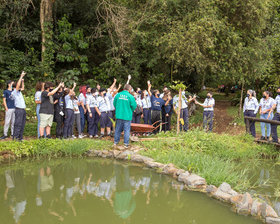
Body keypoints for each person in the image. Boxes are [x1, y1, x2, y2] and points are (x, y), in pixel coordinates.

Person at [113, 84, 137, 148]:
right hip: (127, 115)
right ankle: (126, 144)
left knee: (117, 129)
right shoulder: (130, 96)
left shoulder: (118, 95)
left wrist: (118, 109)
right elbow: (134, 106)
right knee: (126, 130)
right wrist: (130, 110)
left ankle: (115, 142)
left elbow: (114, 104)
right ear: (129, 89)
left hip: (119, 115)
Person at [11, 71, 26, 141]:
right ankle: (15, 137)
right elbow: (17, 86)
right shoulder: (14, 92)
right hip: (19, 109)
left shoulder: (19, 92)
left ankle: (20, 137)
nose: (20, 88)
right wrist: (21, 76)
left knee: (22, 124)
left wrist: (22, 82)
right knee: (18, 124)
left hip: (23, 109)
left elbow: (22, 88)